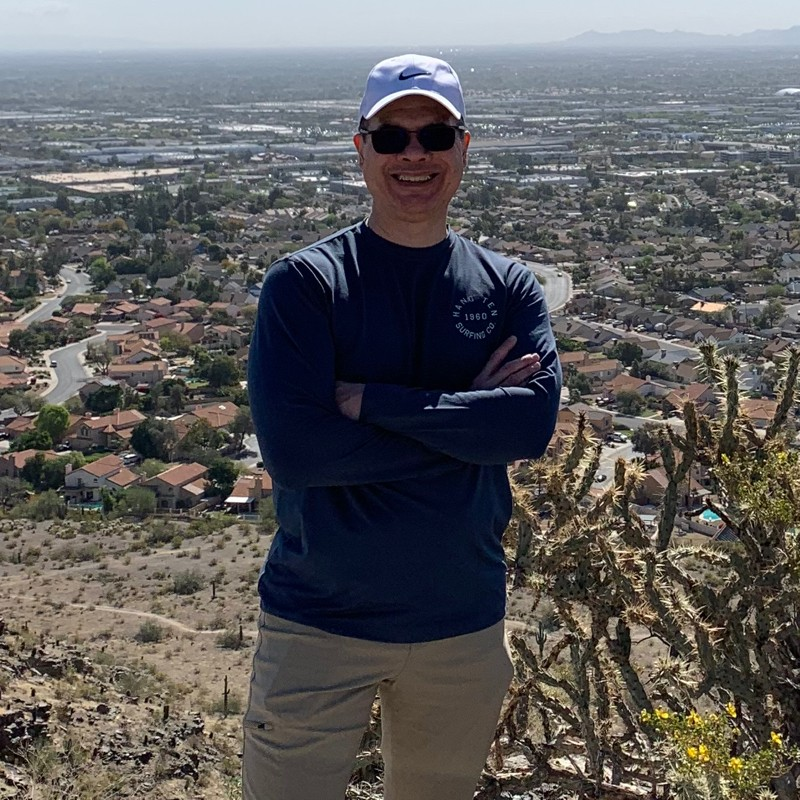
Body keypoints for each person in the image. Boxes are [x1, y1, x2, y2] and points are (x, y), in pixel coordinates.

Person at [244, 53, 562, 800]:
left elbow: (527, 428)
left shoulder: (508, 286)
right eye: (392, 137)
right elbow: (298, 453)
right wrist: (465, 417)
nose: (413, 155)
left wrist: (376, 402)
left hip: (461, 625)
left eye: (435, 135)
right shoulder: (307, 284)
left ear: (463, 147)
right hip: (319, 620)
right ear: (361, 149)